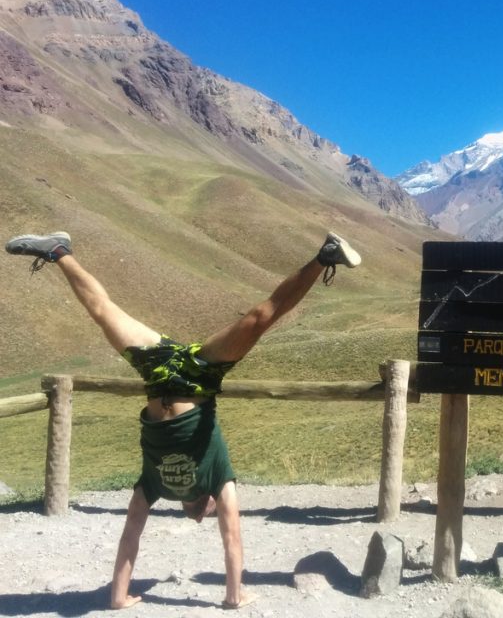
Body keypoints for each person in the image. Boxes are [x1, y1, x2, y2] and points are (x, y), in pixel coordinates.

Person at [5, 230, 361, 610]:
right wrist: (234, 594)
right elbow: (233, 536)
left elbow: (131, 534)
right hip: (201, 375)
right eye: (207, 512)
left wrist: (119, 596)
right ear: (209, 502)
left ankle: (59, 250)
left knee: (103, 311)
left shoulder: (154, 486)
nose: (203, 515)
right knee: (261, 317)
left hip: (157, 371)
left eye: (200, 514)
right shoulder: (217, 477)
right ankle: (324, 256)